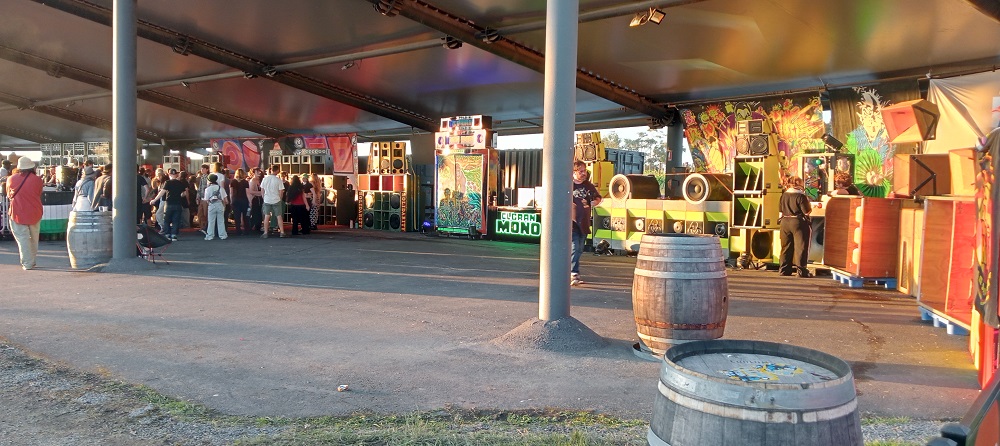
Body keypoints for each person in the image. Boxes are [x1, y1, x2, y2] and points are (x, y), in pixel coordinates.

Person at [6, 157, 44, 270]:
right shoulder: (38, 180)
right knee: (34, 238)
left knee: (23, 239)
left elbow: (9, 195)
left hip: (17, 212)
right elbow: (39, 193)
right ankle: (32, 260)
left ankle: (27, 263)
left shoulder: (11, 179)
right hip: (35, 212)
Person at [571, 160, 602, 286]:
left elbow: (598, 197)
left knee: (580, 248)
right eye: (581, 171)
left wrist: (594, 202)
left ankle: (572, 271)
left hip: (584, 223)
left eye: (585, 171)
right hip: (572, 223)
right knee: (574, 247)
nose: (584, 173)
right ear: (574, 172)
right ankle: (573, 273)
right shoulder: (568, 185)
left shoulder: (588, 185)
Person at [778, 176, 813, 278]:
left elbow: (780, 210)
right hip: (798, 222)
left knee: (786, 247)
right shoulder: (800, 196)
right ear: (798, 184)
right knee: (800, 247)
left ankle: (784, 269)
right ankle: (801, 271)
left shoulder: (784, 195)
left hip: (785, 222)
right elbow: (806, 211)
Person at [150, 168, 187, 241]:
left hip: (169, 203)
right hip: (178, 203)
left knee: (166, 219)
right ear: (176, 175)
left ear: (169, 174)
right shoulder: (180, 183)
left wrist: (154, 200)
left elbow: (162, 192)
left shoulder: (168, 182)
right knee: (176, 220)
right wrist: (179, 195)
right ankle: (174, 235)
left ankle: (167, 234)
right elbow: (184, 193)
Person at [260, 165, 286, 238]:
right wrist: (280, 199)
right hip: (276, 199)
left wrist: (264, 197)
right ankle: (282, 232)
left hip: (267, 199)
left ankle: (265, 232)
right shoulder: (278, 180)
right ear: (277, 171)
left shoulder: (265, 179)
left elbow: (262, 189)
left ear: (271, 170)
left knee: (267, 216)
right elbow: (281, 191)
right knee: (279, 216)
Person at [202, 173, 229, 241]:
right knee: (221, 221)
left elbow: (206, 200)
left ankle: (210, 235)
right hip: (220, 205)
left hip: (211, 205)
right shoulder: (221, 188)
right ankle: (223, 235)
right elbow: (226, 200)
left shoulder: (207, 189)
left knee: (211, 221)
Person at [229, 168, 250, 235]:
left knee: (237, 216)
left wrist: (231, 200)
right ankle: (246, 230)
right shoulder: (245, 182)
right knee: (245, 216)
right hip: (244, 200)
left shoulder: (233, 182)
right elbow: (247, 193)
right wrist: (250, 201)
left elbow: (231, 193)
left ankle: (238, 230)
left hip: (235, 200)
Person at [247, 168, 264, 233]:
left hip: (261, 199)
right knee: (255, 213)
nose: (259, 173)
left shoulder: (261, 180)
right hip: (255, 199)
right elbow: (251, 191)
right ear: (254, 173)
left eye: (259, 171)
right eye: (257, 172)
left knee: (260, 213)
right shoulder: (252, 181)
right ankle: (253, 226)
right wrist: (260, 193)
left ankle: (258, 227)